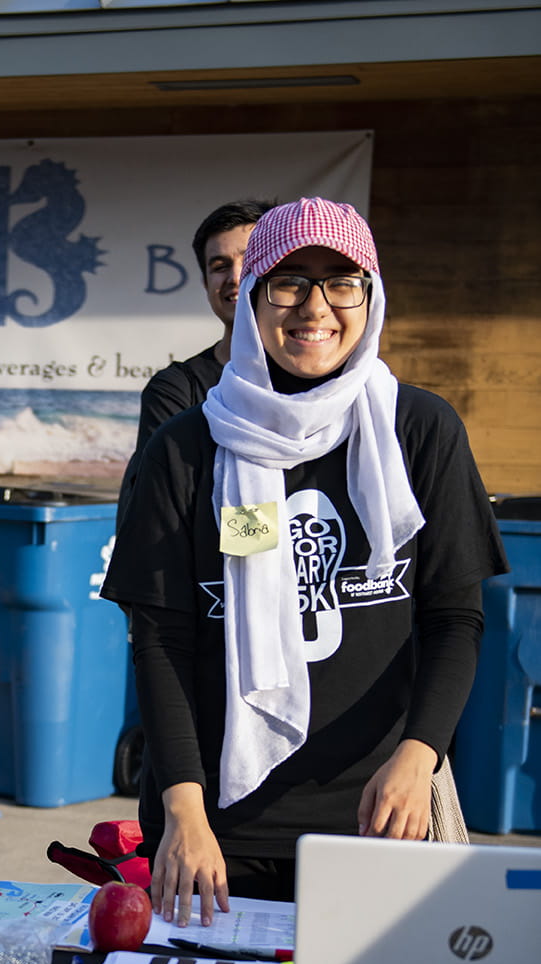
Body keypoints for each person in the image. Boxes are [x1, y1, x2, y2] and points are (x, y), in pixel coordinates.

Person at [102, 197, 507, 925]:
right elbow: (160, 641)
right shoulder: (189, 445)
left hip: (379, 810)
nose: (314, 306)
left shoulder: (418, 429)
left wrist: (419, 760)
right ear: (252, 297)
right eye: (288, 281)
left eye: (339, 280)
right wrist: (183, 810)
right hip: (216, 822)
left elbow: (454, 617)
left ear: (369, 295)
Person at [117, 198, 275, 526]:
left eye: (249, 261)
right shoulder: (176, 390)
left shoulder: (326, 384)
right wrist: (257, 543)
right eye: (219, 266)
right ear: (206, 284)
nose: (235, 277)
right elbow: (159, 509)